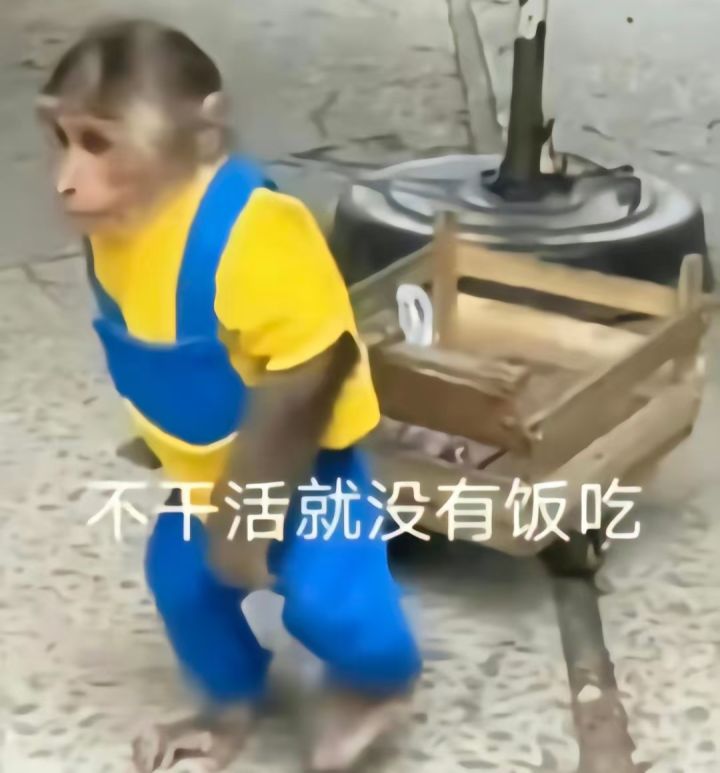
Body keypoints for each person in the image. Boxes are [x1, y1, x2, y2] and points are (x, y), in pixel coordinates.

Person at [36, 19, 421, 772]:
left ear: (205, 131)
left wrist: (247, 516)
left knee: (325, 593)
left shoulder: (253, 231)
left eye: (100, 142)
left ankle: (378, 682)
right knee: (183, 581)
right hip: (206, 466)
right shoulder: (116, 227)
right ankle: (228, 702)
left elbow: (310, 374)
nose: (66, 178)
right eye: (62, 139)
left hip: (306, 460)